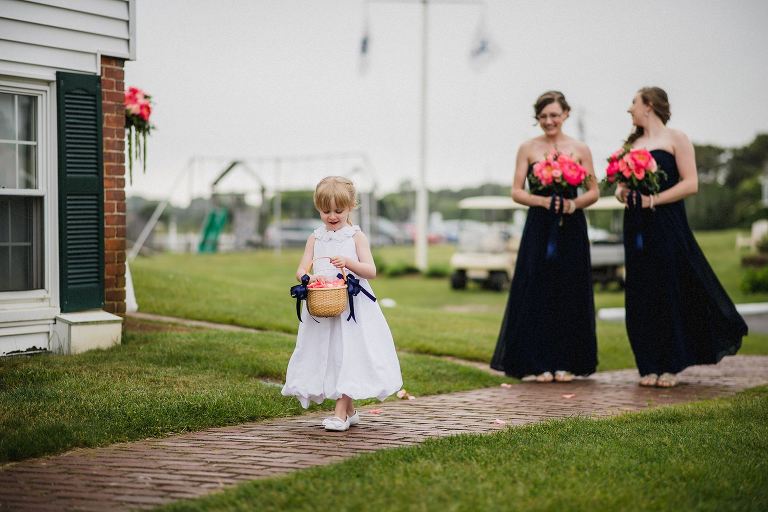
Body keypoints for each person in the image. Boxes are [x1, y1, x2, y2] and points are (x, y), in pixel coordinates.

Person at [616, 87, 747, 387]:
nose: (629, 109)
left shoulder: (677, 139)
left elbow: (691, 184)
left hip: (666, 222)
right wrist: (623, 192)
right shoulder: (632, 143)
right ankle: (647, 364)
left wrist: (654, 200)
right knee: (640, 289)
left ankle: (671, 364)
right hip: (635, 225)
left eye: (633, 103)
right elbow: (619, 186)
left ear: (648, 106)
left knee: (668, 287)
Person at [491, 91, 599, 382]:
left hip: (570, 226)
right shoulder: (528, 148)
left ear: (565, 114)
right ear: (537, 118)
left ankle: (567, 362)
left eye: (554, 115)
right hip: (539, 225)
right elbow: (516, 191)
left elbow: (593, 191)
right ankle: (537, 363)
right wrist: (542, 201)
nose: (549, 121)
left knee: (569, 289)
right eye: (543, 116)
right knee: (536, 288)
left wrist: (574, 204)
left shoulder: (580, 149)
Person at [282, 176, 402, 431]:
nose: (332, 216)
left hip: (352, 306)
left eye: (339, 210)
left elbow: (370, 270)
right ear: (318, 209)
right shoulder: (316, 238)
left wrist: (348, 263)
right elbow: (302, 267)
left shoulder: (356, 236)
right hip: (324, 303)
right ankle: (350, 410)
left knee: (349, 352)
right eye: (326, 211)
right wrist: (307, 277)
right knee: (331, 353)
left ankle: (341, 414)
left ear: (351, 207)